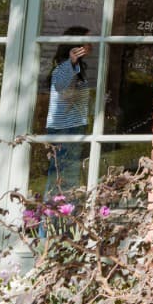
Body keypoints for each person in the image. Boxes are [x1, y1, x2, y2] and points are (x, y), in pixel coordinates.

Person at [44, 27, 92, 192]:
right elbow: (66, 95)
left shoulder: (75, 68)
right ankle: (56, 213)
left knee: (65, 172)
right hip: (65, 128)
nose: (91, 44)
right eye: (87, 41)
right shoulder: (65, 68)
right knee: (63, 173)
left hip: (70, 126)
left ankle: (60, 211)